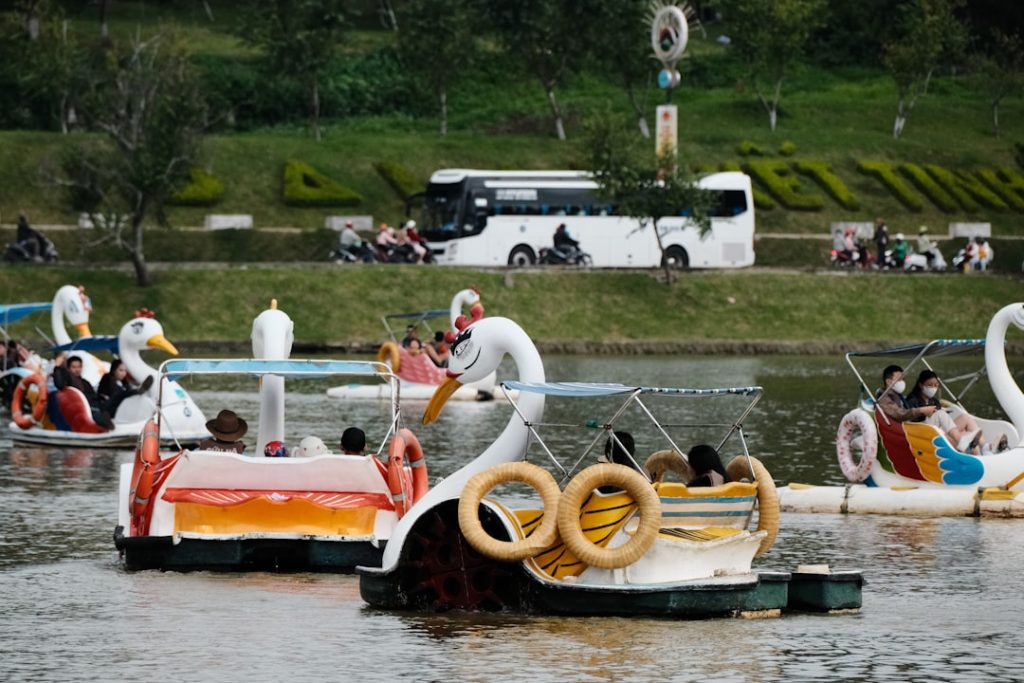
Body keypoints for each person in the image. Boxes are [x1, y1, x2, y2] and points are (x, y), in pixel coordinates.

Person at [906, 370, 1008, 454]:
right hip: (927, 434)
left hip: (942, 430)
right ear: (920, 385)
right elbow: (910, 420)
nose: (933, 388)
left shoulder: (934, 400)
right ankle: (972, 450)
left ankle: (985, 447)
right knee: (967, 437)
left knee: (965, 418)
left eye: (936, 385)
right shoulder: (913, 400)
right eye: (930, 385)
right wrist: (925, 412)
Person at [65, 355, 114, 429]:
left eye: (79, 367)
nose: (77, 369)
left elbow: (93, 395)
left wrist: (101, 397)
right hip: (81, 408)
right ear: (68, 368)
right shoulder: (67, 381)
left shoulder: (85, 382)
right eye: (74, 367)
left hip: (93, 405)